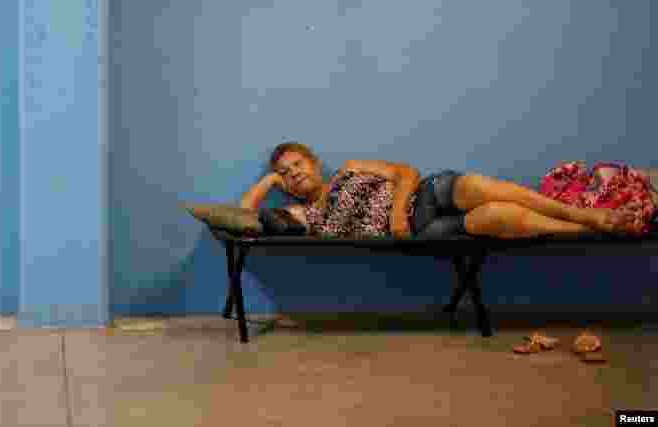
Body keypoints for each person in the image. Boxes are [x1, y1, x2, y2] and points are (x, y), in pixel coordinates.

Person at [239, 142, 640, 239]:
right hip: (423, 231)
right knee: (497, 217)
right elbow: (243, 218)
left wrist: (397, 212)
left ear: (314, 162)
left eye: (297, 164)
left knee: (479, 186)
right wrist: (269, 182)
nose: (293, 173)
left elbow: (406, 172)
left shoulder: (350, 169)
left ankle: (584, 214)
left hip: (423, 197)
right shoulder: (302, 217)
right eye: (284, 173)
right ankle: (593, 229)